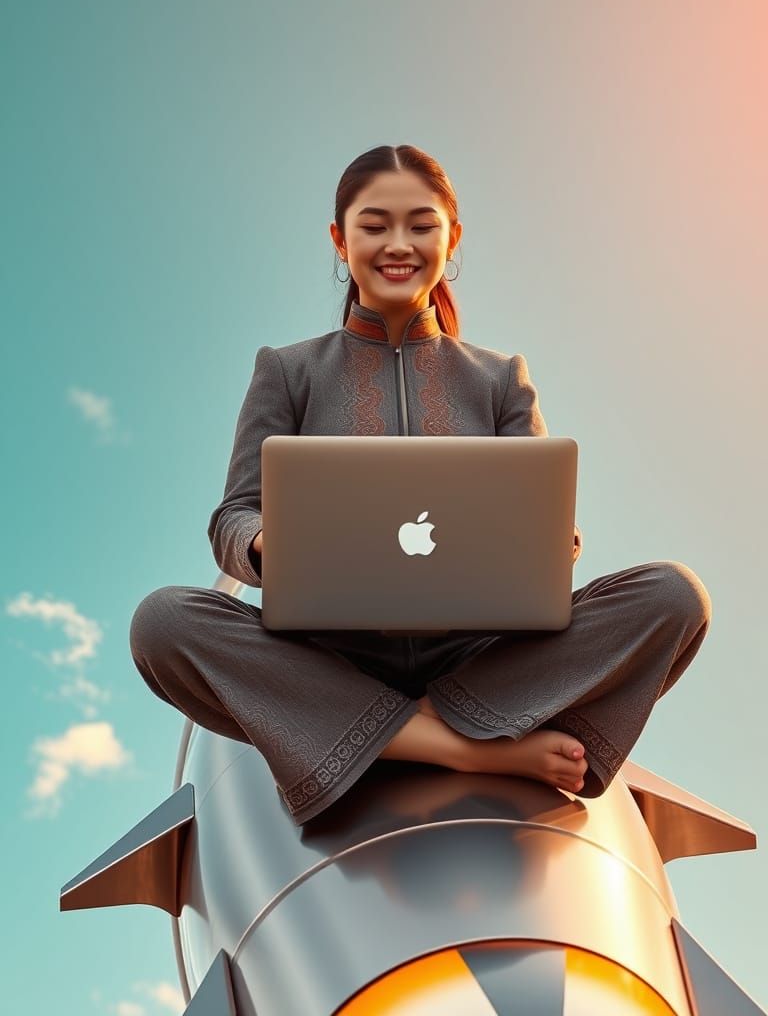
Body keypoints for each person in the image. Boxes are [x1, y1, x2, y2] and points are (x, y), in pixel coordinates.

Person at [129, 144, 712, 827]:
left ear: (451, 238)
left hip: (482, 658)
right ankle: (470, 747)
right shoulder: (287, 371)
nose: (398, 244)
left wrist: (550, 543)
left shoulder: (499, 378)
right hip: (331, 656)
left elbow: (550, 528)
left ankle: (399, 732)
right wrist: (263, 544)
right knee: (163, 622)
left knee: (675, 596)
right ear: (340, 241)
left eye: (421, 225)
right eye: (375, 226)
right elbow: (233, 517)